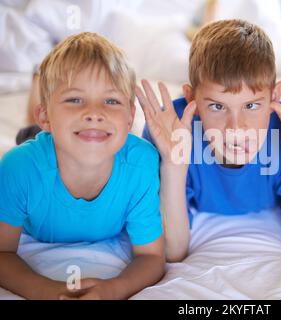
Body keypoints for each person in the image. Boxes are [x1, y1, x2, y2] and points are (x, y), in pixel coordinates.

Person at [137, 19, 281, 262]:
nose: (236, 126)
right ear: (192, 100)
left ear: (274, 96)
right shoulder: (170, 130)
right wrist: (173, 166)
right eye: (217, 106)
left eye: (251, 105)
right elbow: (170, 251)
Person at [0, 32, 165, 299]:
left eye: (111, 101)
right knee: (26, 133)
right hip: (46, 143)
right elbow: (2, 253)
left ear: (130, 117)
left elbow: (151, 257)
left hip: (69, 135)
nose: (94, 113)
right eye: (74, 99)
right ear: (47, 115)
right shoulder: (18, 169)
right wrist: (50, 292)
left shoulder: (142, 165)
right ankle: (37, 90)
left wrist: (112, 290)